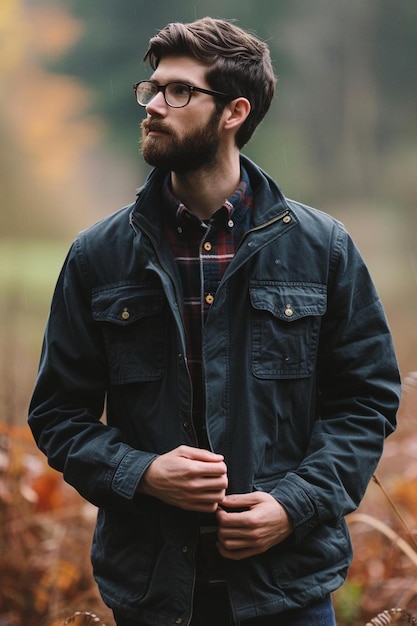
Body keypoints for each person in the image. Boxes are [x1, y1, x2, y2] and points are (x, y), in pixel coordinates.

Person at [28, 16, 401, 626]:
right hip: (153, 591)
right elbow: (56, 415)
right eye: (150, 88)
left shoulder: (322, 248)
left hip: (288, 586)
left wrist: (292, 505)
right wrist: (142, 472)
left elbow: (366, 400)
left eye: (179, 91)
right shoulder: (98, 254)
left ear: (233, 112)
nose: (152, 105)